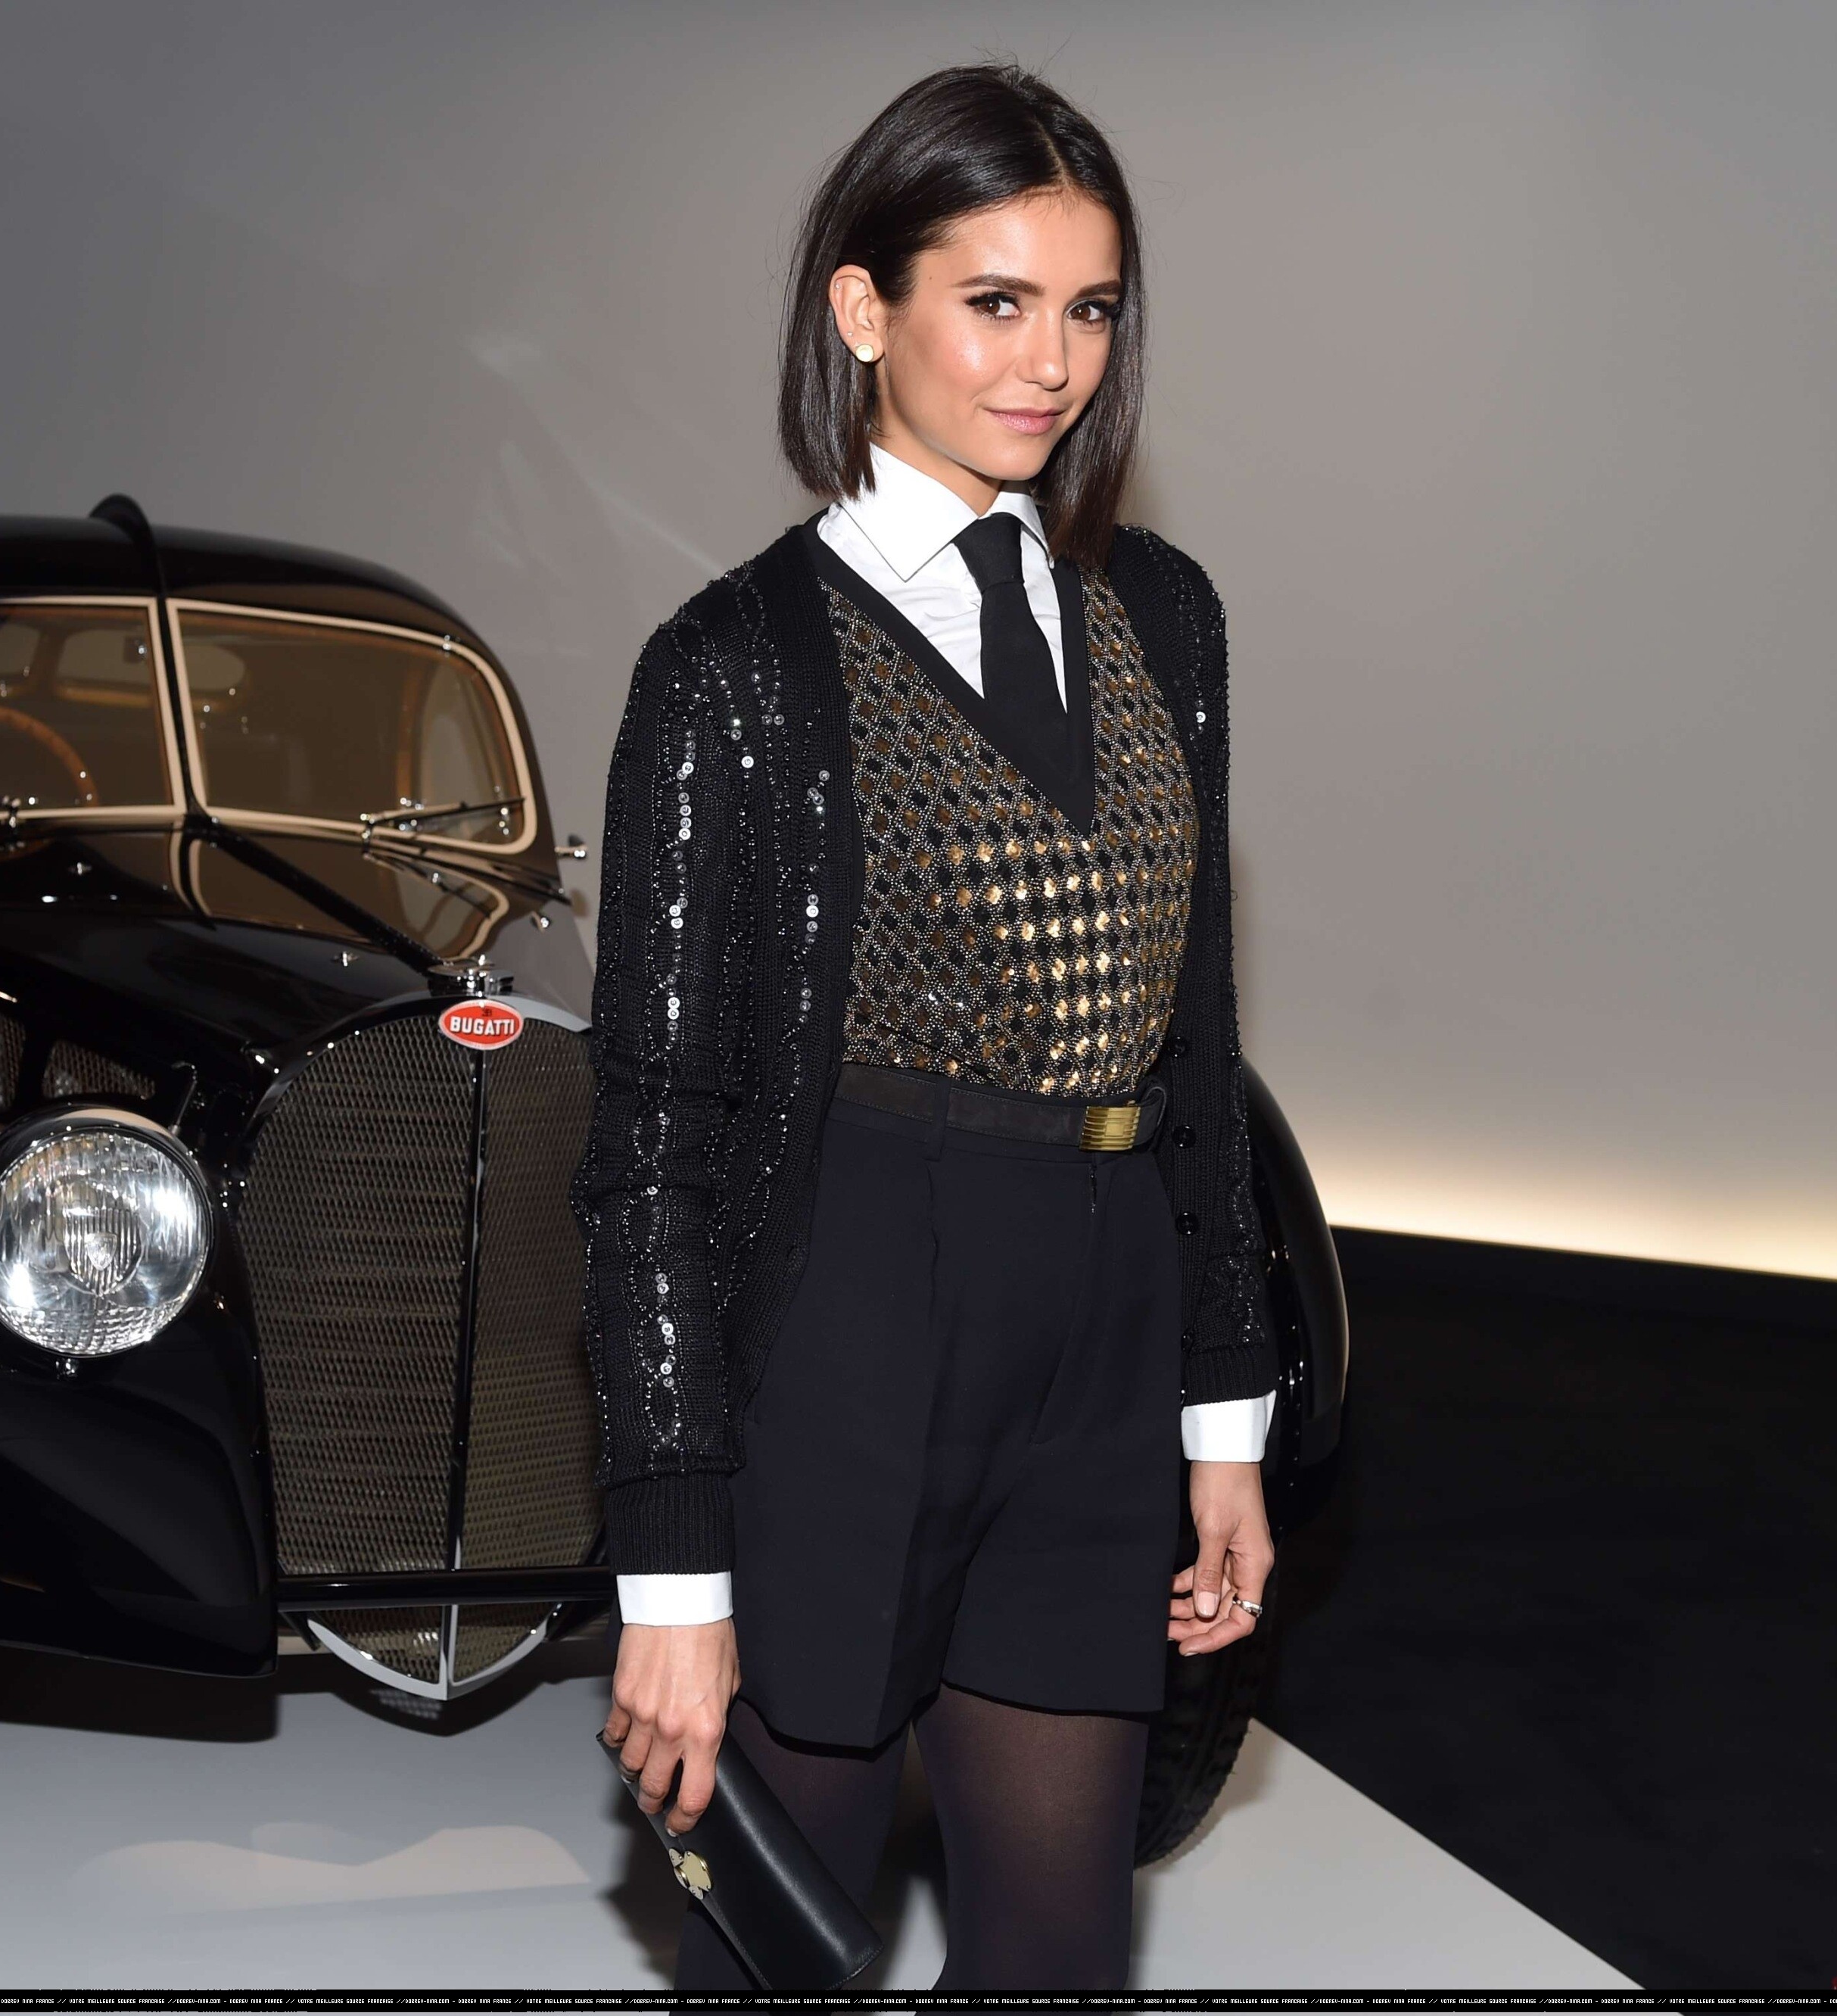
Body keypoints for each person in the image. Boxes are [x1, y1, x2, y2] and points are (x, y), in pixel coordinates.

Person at [575, 63, 1280, 1995]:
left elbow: (1195, 1037)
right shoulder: (733, 668)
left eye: (1089, 308)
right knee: (779, 1958)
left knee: (1057, 1952)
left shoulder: (1166, 617)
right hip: (853, 1327)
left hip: (1103, 1322)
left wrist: (1221, 1421)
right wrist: (671, 1574)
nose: (1050, 362)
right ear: (861, 310)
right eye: (994, 302)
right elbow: (649, 1145)